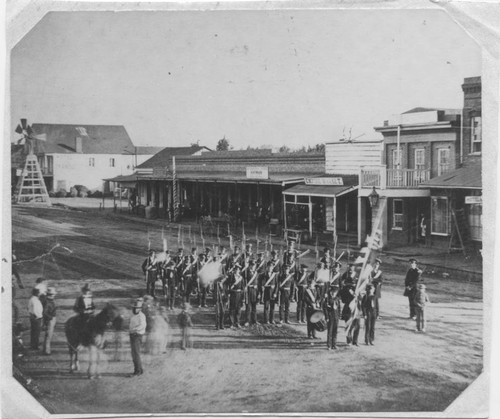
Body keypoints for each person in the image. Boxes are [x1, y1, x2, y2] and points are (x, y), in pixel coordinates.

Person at [129, 298, 146, 377]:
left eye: (136, 308)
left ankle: (137, 371)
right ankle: (140, 369)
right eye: (134, 308)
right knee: (134, 353)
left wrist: (134, 329)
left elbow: (143, 325)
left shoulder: (141, 316)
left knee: (136, 354)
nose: (134, 309)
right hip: (132, 335)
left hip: (137, 335)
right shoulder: (134, 315)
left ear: (140, 309)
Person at [323, 284, 341, 350]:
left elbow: (339, 308)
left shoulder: (337, 299)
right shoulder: (328, 299)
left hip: (336, 317)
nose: (334, 294)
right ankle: (329, 345)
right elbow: (325, 309)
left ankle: (334, 344)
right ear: (331, 292)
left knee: (335, 331)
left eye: (335, 293)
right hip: (330, 316)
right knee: (330, 331)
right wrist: (327, 317)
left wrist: (339, 315)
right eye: (333, 292)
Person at [42, 287, 57, 355]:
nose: (54, 296)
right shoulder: (48, 302)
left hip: (50, 318)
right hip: (50, 319)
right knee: (48, 335)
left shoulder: (48, 301)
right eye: (53, 295)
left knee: (48, 335)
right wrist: (50, 318)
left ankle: (45, 349)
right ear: (50, 295)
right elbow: (44, 312)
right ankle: (47, 351)